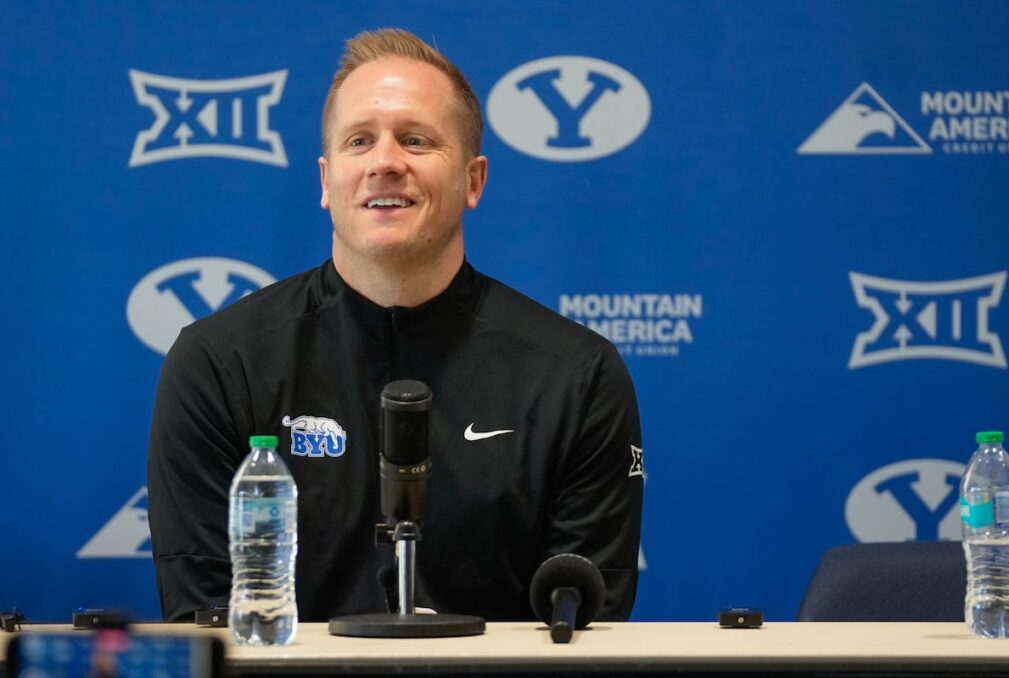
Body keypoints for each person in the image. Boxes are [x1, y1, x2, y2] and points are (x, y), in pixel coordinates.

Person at [147, 28, 644, 623]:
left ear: (473, 180)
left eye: (416, 139)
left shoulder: (577, 376)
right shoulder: (219, 364)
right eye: (360, 141)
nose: (385, 162)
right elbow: (201, 620)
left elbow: (586, 625)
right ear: (325, 181)